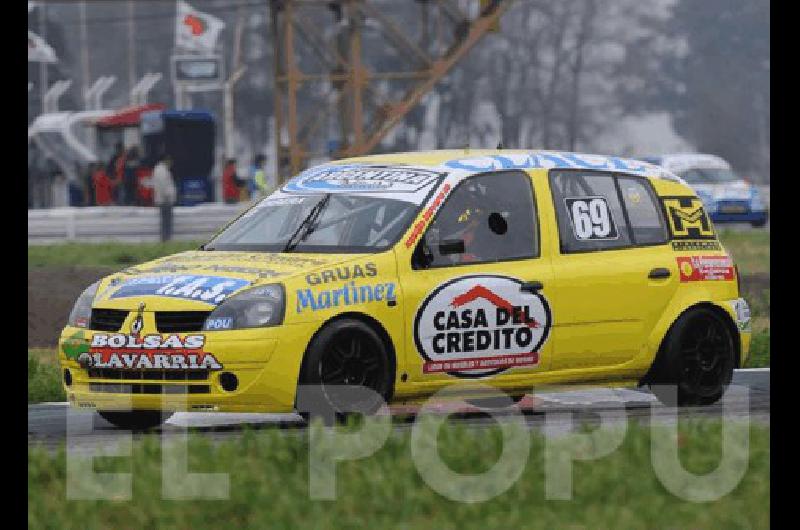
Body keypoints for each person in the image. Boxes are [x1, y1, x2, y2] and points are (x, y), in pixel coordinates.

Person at [152, 155, 177, 241]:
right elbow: (163, 186)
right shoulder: (162, 171)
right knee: (166, 222)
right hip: (165, 200)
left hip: (163, 199)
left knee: (165, 222)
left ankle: (166, 238)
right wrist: (167, 196)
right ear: (167, 161)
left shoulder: (160, 170)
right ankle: (166, 238)